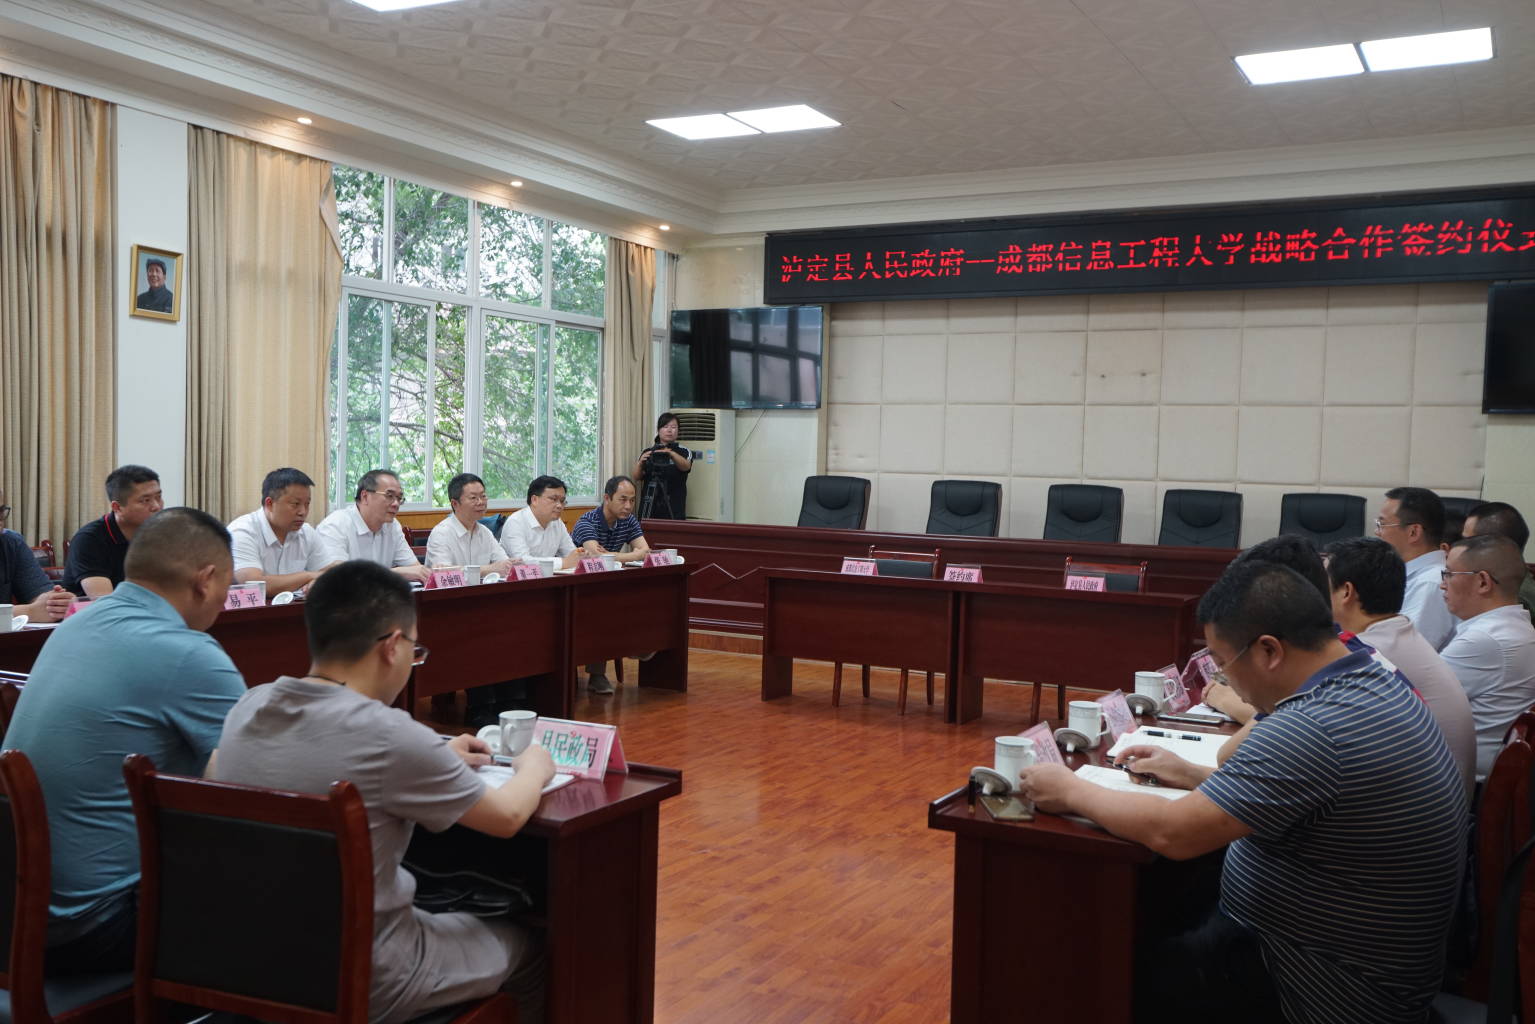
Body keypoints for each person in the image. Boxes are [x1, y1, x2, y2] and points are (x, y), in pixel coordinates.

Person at [1019, 560, 1466, 1024]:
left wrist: (1070, 790)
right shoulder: (1370, 677)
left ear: (1269, 650)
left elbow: (1174, 833)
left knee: (1098, 972)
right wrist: (1193, 776)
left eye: (1223, 664)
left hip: (1320, 986)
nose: (1226, 680)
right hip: (1357, 957)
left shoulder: (1313, 726)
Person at [212, 560, 554, 1024]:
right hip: (364, 975)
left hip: (244, 960)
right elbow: (508, 816)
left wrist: (435, 757)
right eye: (416, 650)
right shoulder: (389, 733)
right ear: (392, 647)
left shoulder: (248, 706)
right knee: (531, 947)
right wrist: (534, 766)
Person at [5, 507, 243, 972]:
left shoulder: (77, 624)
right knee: (296, 887)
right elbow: (254, 782)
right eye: (227, 583)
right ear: (205, 579)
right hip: (96, 924)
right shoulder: (188, 652)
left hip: (17, 909)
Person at [1323, 536, 1477, 801]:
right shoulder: (1396, 633)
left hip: (1419, 811)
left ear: (1346, 592)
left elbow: (1283, 719)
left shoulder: (1368, 653)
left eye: (1322, 584)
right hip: (1436, 801)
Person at [1438, 534, 1535, 780]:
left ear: (1483, 582)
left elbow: (1415, 708)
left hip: (1462, 784)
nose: (1442, 584)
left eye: (1449, 574)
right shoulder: (1517, 626)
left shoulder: (1484, 640)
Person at [571, 476, 653, 695]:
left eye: (632, 501)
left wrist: (614, 555)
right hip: (580, 589)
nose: (628, 506)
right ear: (607, 498)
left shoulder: (628, 520)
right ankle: (598, 674)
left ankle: (637, 646)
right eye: (622, 499)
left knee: (641, 604)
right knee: (603, 610)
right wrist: (630, 555)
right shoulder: (587, 522)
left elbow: (645, 551)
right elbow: (596, 557)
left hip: (609, 585)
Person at [227, 467, 338, 595]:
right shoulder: (242, 532)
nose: (303, 512)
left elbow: (331, 574)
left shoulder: (307, 533)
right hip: (251, 608)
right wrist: (308, 576)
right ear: (270, 504)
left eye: (307, 504)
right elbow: (254, 586)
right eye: (295, 504)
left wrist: (318, 580)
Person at [61, 464, 164, 597]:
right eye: (145, 500)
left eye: (158, 497)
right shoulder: (90, 540)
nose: (156, 506)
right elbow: (105, 601)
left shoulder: (161, 534)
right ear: (117, 507)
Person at [1375, 486, 1458, 650]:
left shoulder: (1431, 583)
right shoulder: (1407, 575)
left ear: (1414, 532)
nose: (1377, 532)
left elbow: (1403, 651)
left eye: (1382, 524)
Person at [315, 469, 431, 584]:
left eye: (399, 498)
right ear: (365, 496)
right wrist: (394, 573)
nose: (396, 503)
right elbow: (336, 577)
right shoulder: (335, 525)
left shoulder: (392, 525)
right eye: (389, 495)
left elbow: (415, 570)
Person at [0, 485, 71, 622]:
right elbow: (34, 611)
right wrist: (29, 612)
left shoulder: (12, 543)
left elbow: (39, 594)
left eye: (1, 511)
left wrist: (56, 603)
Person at [426, 473, 515, 579]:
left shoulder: (485, 532)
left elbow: (503, 565)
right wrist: (487, 569)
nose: (480, 502)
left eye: (483, 496)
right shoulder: (441, 534)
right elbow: (443, 573)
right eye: (473, 498)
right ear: (455, 504)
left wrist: (510, 564)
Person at [1464, 500, 1535, 624]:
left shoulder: (1515, 599)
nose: (1461, 548)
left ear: (1494, 546)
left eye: (1467, 542)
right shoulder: (1500, 581)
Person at [499, 475, 580, 570]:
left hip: (547, 576)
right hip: (515, 577)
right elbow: (522, 562)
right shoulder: (515, 522)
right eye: (553, 499)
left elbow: (571, 554)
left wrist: (580, 555)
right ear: (534, 500)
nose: (559, 506)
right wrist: (563, 563)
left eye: (562, 501)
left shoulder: (557, 523)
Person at [631, 412, 695, 520]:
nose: (669, 430)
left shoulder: (684, 451)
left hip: (674, 508)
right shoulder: (648, 451)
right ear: (658, 430)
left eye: (673, 427)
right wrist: (640, 463)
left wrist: (670, 453)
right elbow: (636, 477)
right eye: (665, 427)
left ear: (678, 430)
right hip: (649, 508)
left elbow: (686, 467)